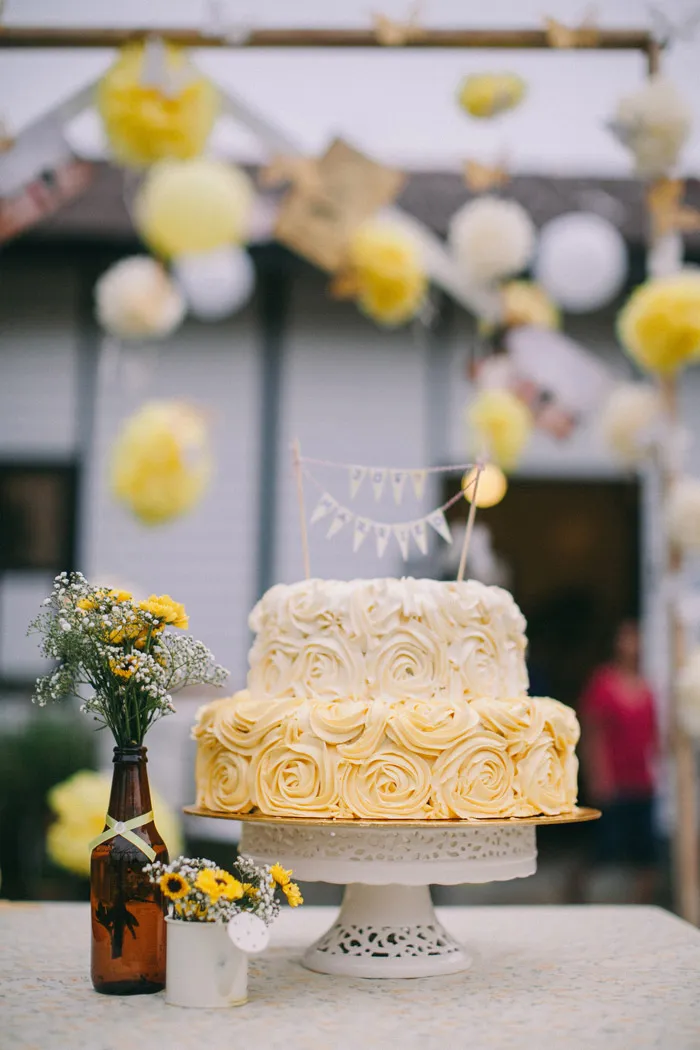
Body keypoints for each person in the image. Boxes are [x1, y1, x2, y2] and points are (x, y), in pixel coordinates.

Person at [579, 619, 659, 903]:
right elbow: (592, 733)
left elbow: (654, 738)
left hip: (642, 782)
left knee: (646, 855)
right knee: (604, 852)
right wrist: (598, 777)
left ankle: (640, 909)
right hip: (614, 782)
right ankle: (584, 902)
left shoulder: (646, 687)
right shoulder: (604, 683)